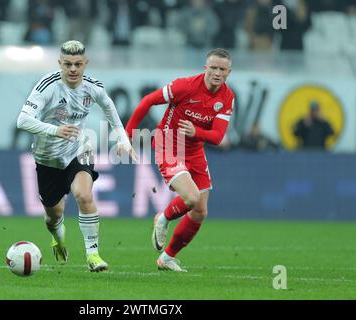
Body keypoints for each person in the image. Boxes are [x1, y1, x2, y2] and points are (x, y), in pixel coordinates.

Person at [17, 40, 136, 272]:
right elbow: (22, 120)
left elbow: (110, 110)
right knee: (54, 216)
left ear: (85, 64)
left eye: (78, 64)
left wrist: (123, 138)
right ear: (60, 63)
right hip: (47, 158)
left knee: (83, 195)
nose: (73, 69)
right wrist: (55, 130)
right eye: (68, 64)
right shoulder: (47, 86)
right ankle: (58, 238)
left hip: (79, 149)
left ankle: (93, 256)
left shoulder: (93, 87)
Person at [125, 48, 234, 272]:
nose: (217, 73)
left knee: (200, 211)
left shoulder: (226, 97)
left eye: (222, 69)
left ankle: (166, 258)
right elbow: (148, 101)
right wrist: (128, 134)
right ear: (205, 68)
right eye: (213, 67)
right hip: (168, 146)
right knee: (192, 198)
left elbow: (217, 137)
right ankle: (163, 218)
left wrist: (196, 132)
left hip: (194, 151)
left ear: (228, 72)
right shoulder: (184, 86)